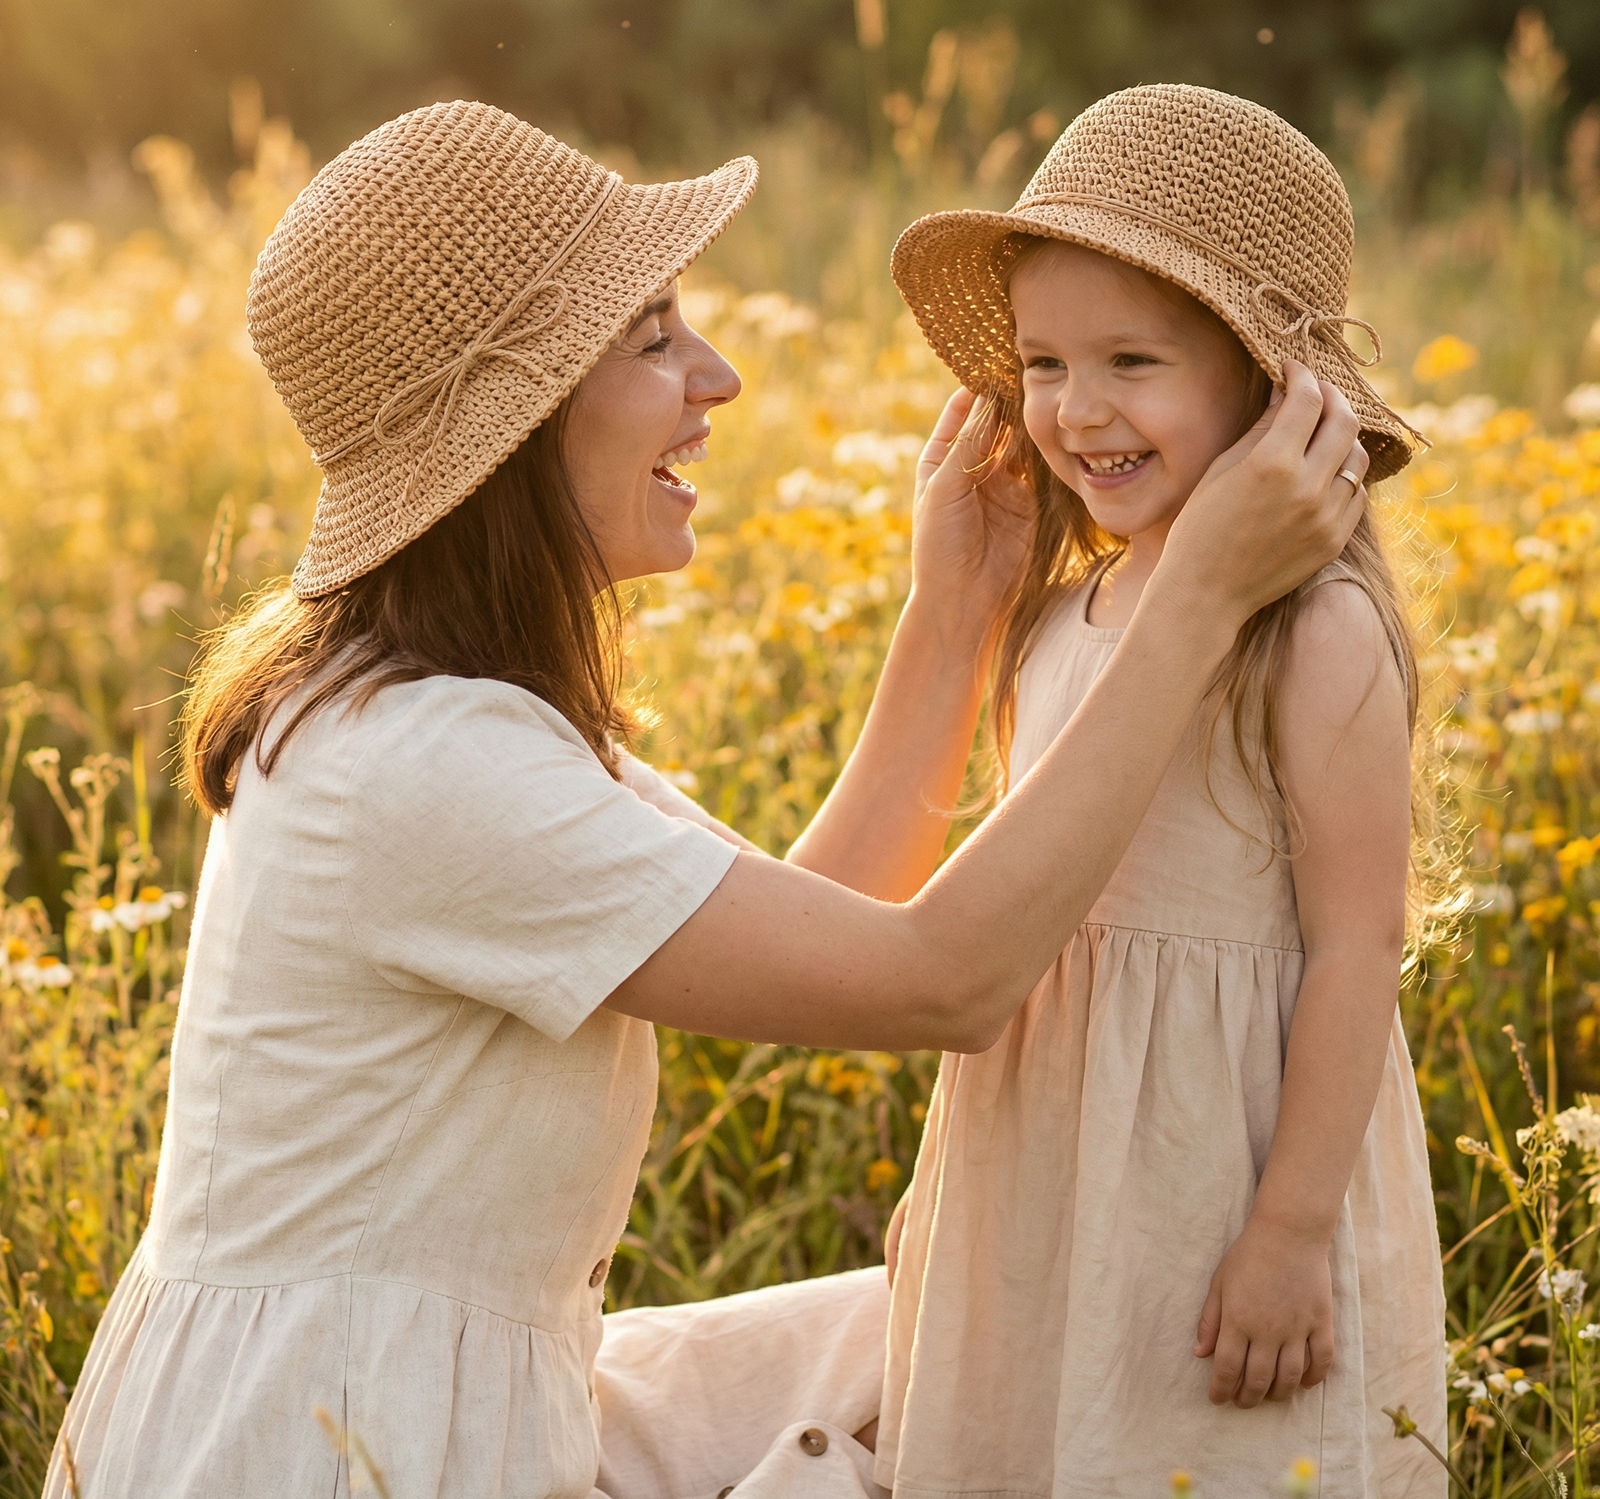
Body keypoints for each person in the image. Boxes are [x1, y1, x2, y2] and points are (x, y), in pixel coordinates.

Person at [44, 99, 1366, 1499]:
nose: (718, 378)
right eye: (653, 337)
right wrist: (1199, 602)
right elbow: (942, 982)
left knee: (984, 1314)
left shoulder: (444, 706)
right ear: (517, 423)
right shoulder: (421, 768)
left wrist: (955, 615)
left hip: (436, 1382)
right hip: (345, 1446)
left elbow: (827, 917)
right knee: (1007, 1346)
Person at [875, 84, 1447, 1498]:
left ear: (1267, 386)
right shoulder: (1057, 613)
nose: (1078, 410)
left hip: (1228, 1173)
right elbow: (1017, 911)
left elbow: (1357, 947)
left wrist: (1291, 1233)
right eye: (1044, 363)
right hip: (1042, 1166)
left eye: (1133, 360)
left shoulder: (1313, 630)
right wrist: (942, 1191)